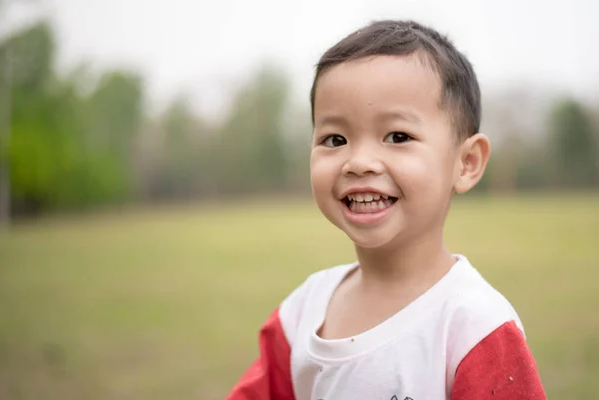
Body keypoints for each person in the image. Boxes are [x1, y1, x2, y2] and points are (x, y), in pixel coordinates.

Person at [226, 19, 547, 400]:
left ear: (466, 162)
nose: (359, 162)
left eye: (398, 137)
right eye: (335, 139)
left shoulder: (474, 326)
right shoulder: (302, 313)